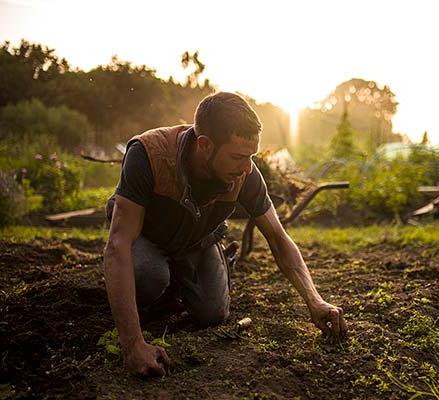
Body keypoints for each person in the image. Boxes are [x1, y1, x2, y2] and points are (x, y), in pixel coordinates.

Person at [103, 91, 348, 377]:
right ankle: (156, 284)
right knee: (149, 276)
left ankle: (194, 272)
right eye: (237, 157)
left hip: (197, 240)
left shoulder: (246, 173)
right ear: (205, 145)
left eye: (251, 157)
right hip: (148, 239)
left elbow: (278, 239)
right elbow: (118, 244)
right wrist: (133, 344)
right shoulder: (148, 155)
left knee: (213, 313)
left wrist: (315, 300)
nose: (246, 168)